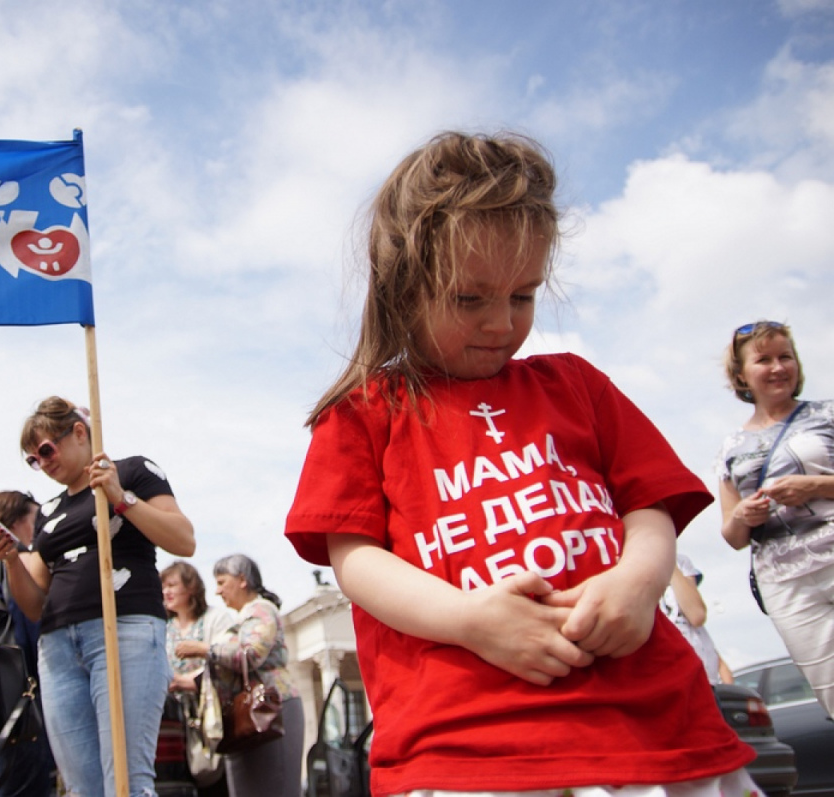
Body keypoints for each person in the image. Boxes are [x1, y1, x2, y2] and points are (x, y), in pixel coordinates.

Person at [283, 131, 760, 796]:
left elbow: (648, 505)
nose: (501, 322)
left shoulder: (576, 383)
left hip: (656, 726)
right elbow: (354, 557)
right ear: (402, 288)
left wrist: (639, 581)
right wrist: (468, 618)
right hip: (469, 743)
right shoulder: (362, 412)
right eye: (469, 298)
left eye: (524, 295)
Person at [0, 396, 196, 797]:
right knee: (82, 788)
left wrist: (120, 497)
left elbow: (183, 540)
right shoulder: (47, 510)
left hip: (124, 629)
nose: (43, 463)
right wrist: (11, 559)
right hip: (58, 645)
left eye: (46, 450)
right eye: (33, 459)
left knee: (127, 782)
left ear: (79, 432)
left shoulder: (133, 470)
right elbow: (34, 604)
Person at [717, 320, 834, 716]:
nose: (778, 367)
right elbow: (732, 536)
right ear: (741, 374)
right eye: (763, 359)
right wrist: (743, 515)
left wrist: (814, 486)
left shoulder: (826, 414)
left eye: (785, 356)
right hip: (786, 586)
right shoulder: (730, 447)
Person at [174, 554, 303, 797]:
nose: (217, 591)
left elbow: (251, 653)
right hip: (251, 712)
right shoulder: (246, 615)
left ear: (242, 580)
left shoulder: (262, 609)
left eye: (222, 582)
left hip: (272, 709)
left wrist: (204, 649)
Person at [0, 490, 57, 797]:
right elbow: (33, 623)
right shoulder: (23, 561)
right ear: (15, 523)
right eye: (36, 519)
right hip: (26, 692)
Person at [162, 560, 234, 796]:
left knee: (215, 783)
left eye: (172, 585)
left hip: (212, 717)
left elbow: (226, 658)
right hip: (173, 722)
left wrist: (186, 681)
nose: (166, 592)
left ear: (191, 587)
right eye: (163, 586)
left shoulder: (218, 618)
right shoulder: (163, 627)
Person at [660, 554, 724, 684]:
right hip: (663, 673)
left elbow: (697, 615)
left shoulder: (679, 561)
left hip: (699, 672)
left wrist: (666, 558)